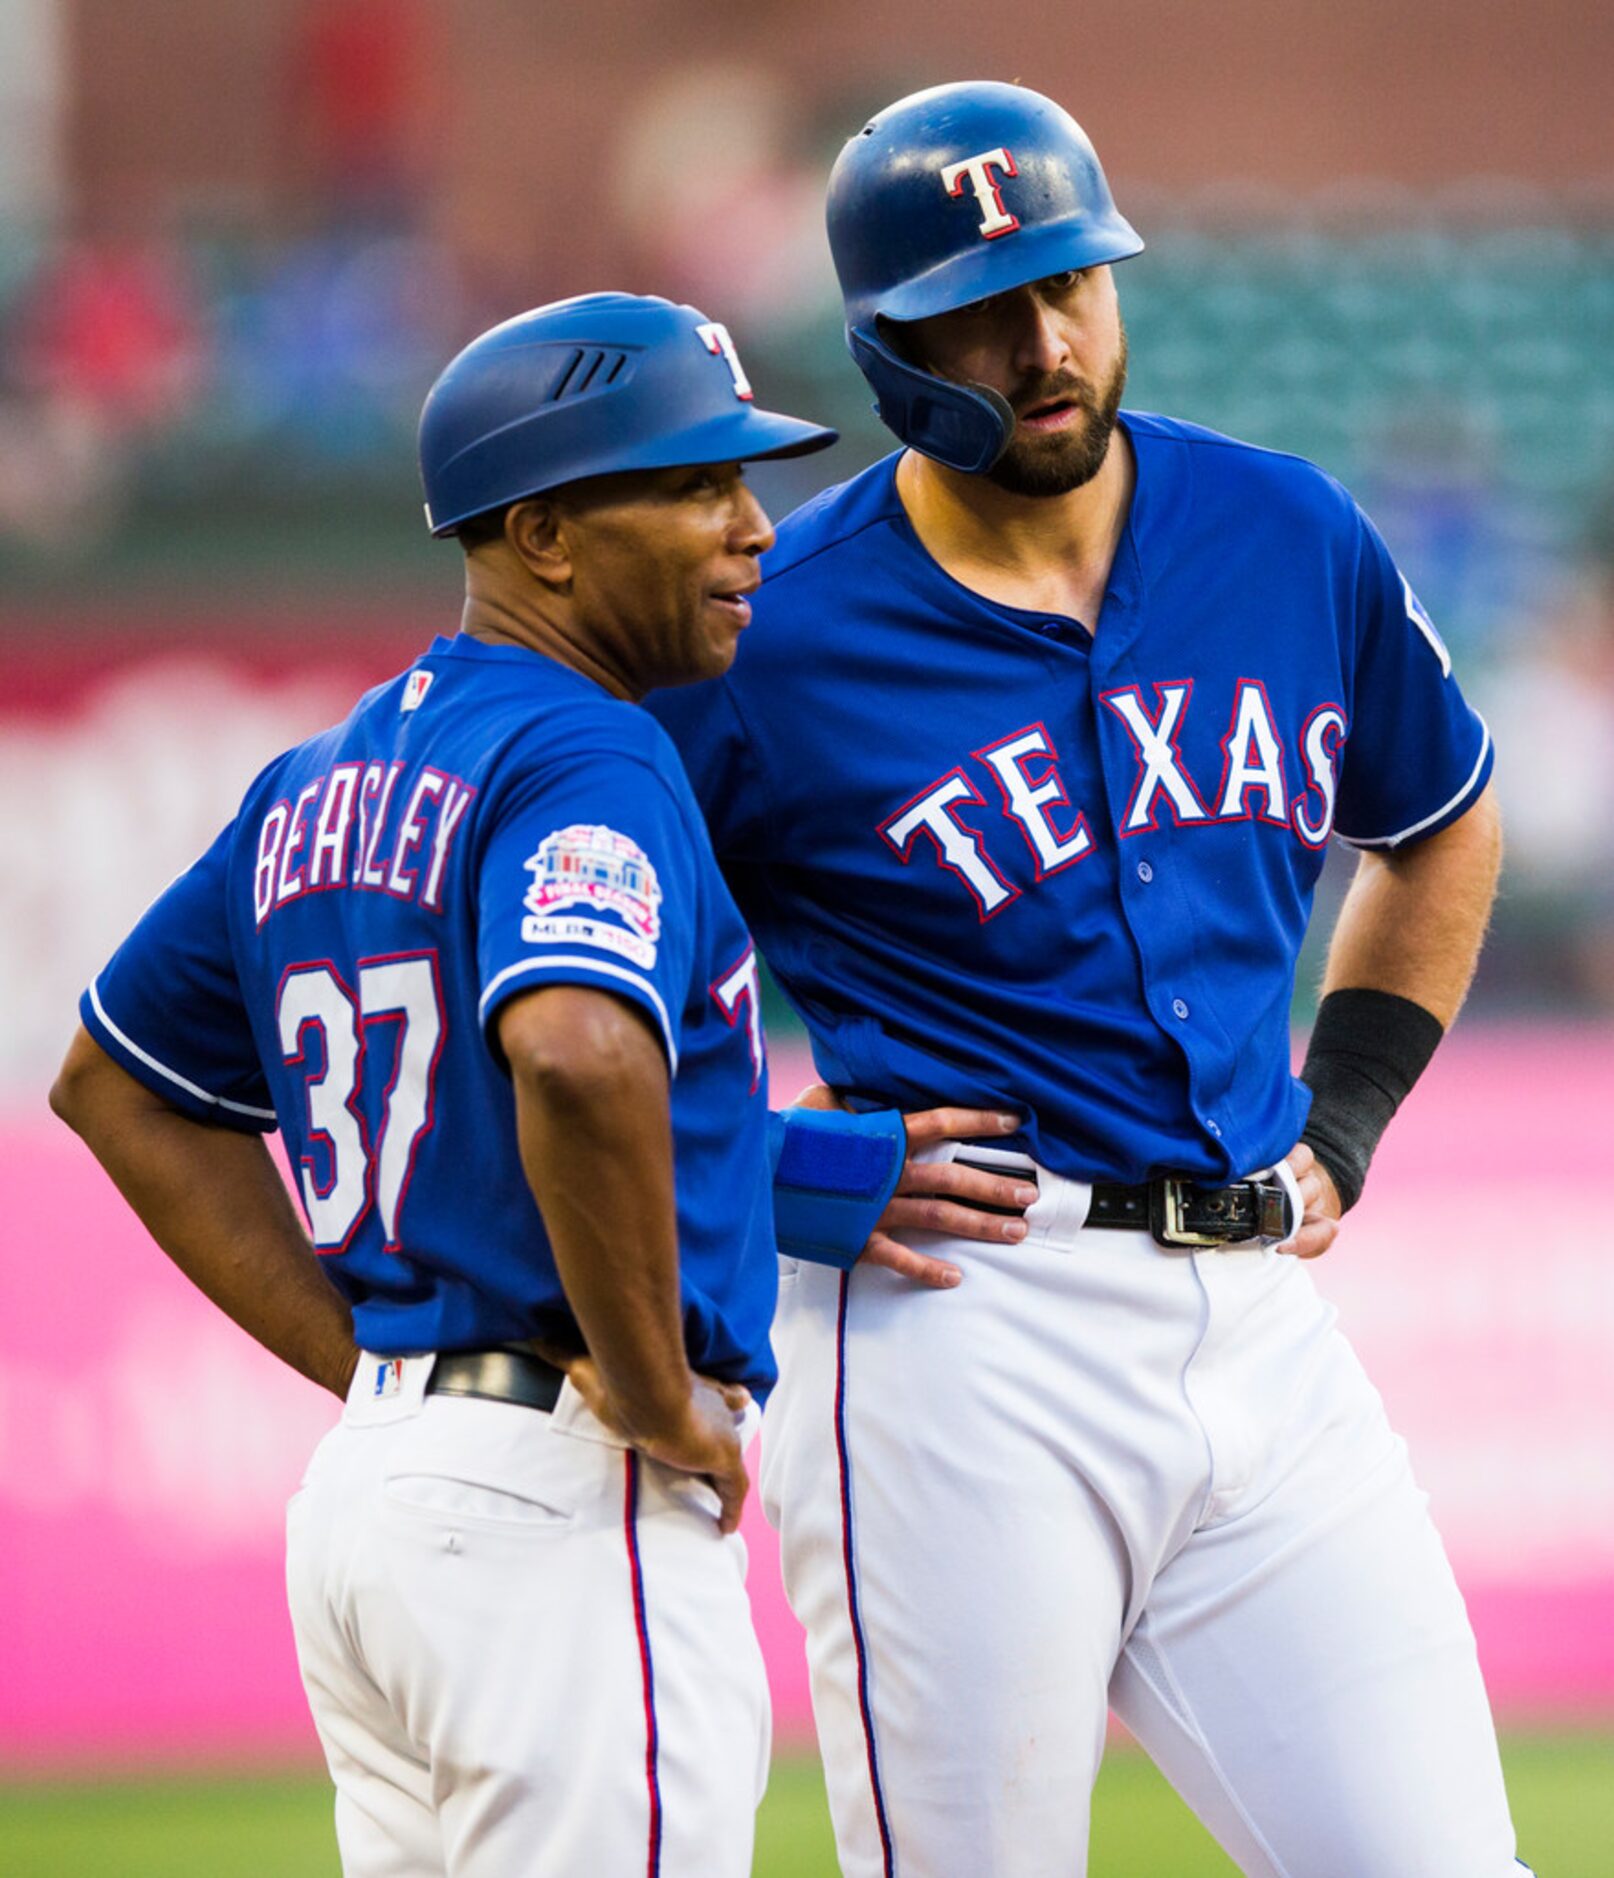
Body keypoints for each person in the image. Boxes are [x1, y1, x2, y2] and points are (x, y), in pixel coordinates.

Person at [648, 84, 1528, 1877]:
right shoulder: (773, 636)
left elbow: (1440, 821)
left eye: (1073, 281)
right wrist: (780, 1173)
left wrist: (1344, 1121)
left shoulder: (1281, 533)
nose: (1045, 340)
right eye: (985, 305)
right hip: (957, 1328)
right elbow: (572, 1001)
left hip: (1258, 1320)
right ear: (887, 346)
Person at [49, 290, 1017, 1878]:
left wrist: (385, 1367)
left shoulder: (318, 776)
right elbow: (571, 1049)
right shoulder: (589, 754)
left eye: (745, 482)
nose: (751, 531)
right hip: (562, 1492)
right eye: (696, 486)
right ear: (549, 532)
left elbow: (115, 1082)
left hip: (382, 1499)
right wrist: (648, 1387)